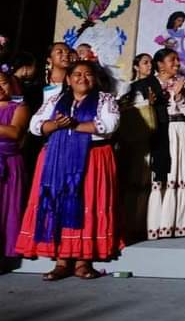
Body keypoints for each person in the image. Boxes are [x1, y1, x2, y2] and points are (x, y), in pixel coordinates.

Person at [16, 62, 122, 279]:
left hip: (92, 158)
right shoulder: (55, 100)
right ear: (67, 79)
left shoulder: (105, 99)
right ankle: (61, 261)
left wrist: (74, 125)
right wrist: (55, 125)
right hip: (57, 157)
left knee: (86, 203)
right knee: (59, 202)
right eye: (76, 74)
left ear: (95, 78)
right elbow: (36, 125)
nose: (82, 78)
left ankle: (84, 261)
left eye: (88, 74)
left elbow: (109, 125)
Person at [145, 48, 185, 239]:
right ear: (160, 64)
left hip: (180, 130)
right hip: (160, 131)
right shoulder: (149, 84)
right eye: (172, 60)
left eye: (178, 60)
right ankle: (160, 224)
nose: (177, 63)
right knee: (162, 175)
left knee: (181, 171)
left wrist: (179, 96)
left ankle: (182, 223)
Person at [114, 55, 156, 242]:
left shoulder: (153, 85)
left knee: (142, 180)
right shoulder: (128, 87)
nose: (149, 66)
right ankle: (127, 223)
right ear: (136, 66)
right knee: (129, 180)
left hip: (147, 139)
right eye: (145, 62)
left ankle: (140, 223)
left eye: (151, 63)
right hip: (129, 138)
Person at [0, 71, 29, 258]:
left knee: (5, 210)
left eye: (3, 83)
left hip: (8, 162)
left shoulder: (19, 107)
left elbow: (14, 132)